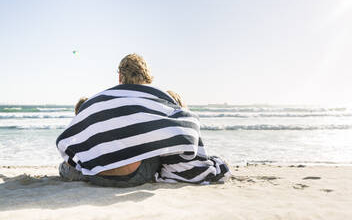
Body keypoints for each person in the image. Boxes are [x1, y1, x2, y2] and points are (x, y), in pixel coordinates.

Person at [57, 54, 230, 187]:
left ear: (119, 77)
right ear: (147, 76)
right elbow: (185, 125)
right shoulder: (157, 99)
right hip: (136, 176)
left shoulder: (100, 100)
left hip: (96, 176)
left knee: (66, 168)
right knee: (155, 147)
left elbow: (76, 135)